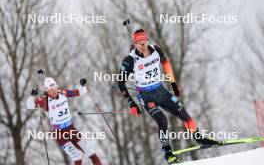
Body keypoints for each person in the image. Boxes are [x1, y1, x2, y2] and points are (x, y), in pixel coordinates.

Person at [117, 29, 220, 164]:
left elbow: (166, 64)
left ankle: (200, 138)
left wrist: (173, 84)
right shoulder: (130, 60)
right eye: (139, 44)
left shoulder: (156, 50)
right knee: (162, 121)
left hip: (161, 91)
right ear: (135, 44)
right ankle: (168, 153)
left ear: (147, 40)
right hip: (145, 96)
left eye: (144, 43)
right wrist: (131, 103)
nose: (143, 46)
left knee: (184, 115)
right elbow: (120, 82)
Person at [26, 77, 102, 165]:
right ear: (47, 91)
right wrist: (32, 96)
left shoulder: (63, 93)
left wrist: (82, 85)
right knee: (77, 157)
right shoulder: (44, 100)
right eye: (51, 90)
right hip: (59, 133)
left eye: (55, 88)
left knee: (90, 152)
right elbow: (29, 105)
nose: (54, 91)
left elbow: (80, 92)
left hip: (71, 129)